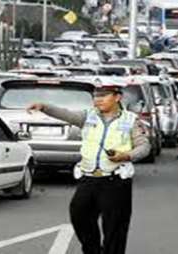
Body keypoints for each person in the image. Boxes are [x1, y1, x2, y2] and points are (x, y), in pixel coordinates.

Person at [27, 83, 150, 254]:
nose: (98, 100)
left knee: (114, 228)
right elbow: (66, 114)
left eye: (103, 96)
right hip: (89, 178)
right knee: (79, 215)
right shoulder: (88, 116)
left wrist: (126, 156)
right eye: (96, 96)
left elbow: (144, 147)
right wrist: (44, 107)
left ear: (117, 97)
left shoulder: (130, 120)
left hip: (115, 180)